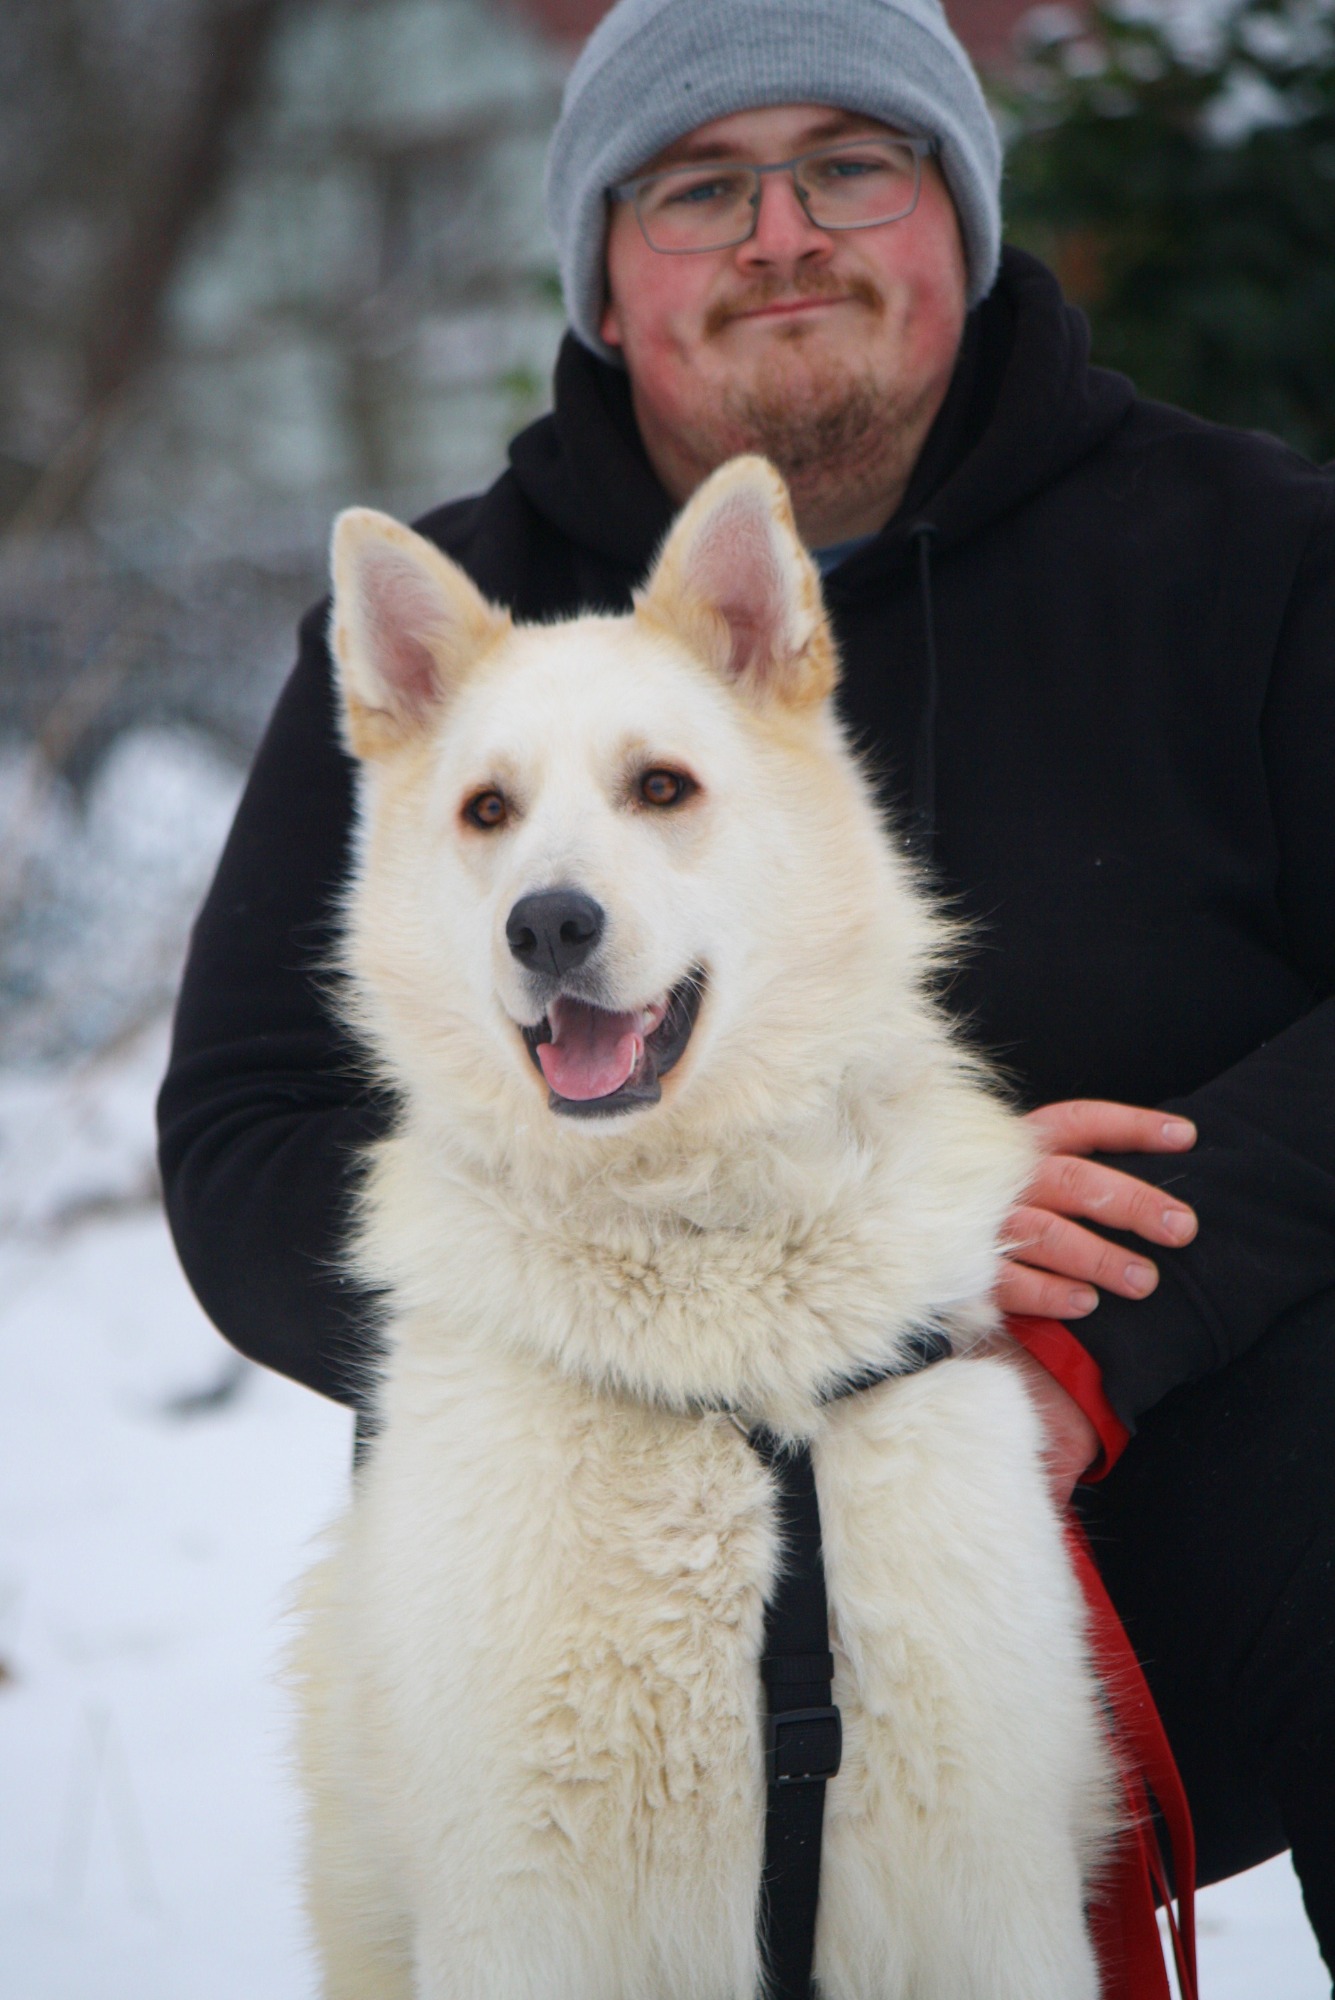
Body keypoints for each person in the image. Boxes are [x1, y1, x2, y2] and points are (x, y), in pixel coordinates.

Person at [157, 0, 1335, 1969]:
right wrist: (600, 1311)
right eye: (698, 187)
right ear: (606, 273)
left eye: (849, 165)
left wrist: (1133, 1268)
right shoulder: (451, 627)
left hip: (1210, 1505)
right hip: (584, 1531)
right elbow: (243, 1135)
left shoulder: (1253, 552)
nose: (780, 232)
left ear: (956, 216)